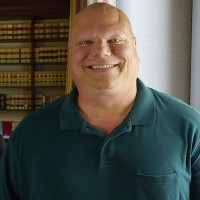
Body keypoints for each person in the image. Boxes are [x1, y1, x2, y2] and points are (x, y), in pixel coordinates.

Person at [0, 3, 200, 200]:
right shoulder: (29, 134)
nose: (102, 51)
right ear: (69, 52)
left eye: (115, 39)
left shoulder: (189, 126)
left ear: (135, 46)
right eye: (85, 42)